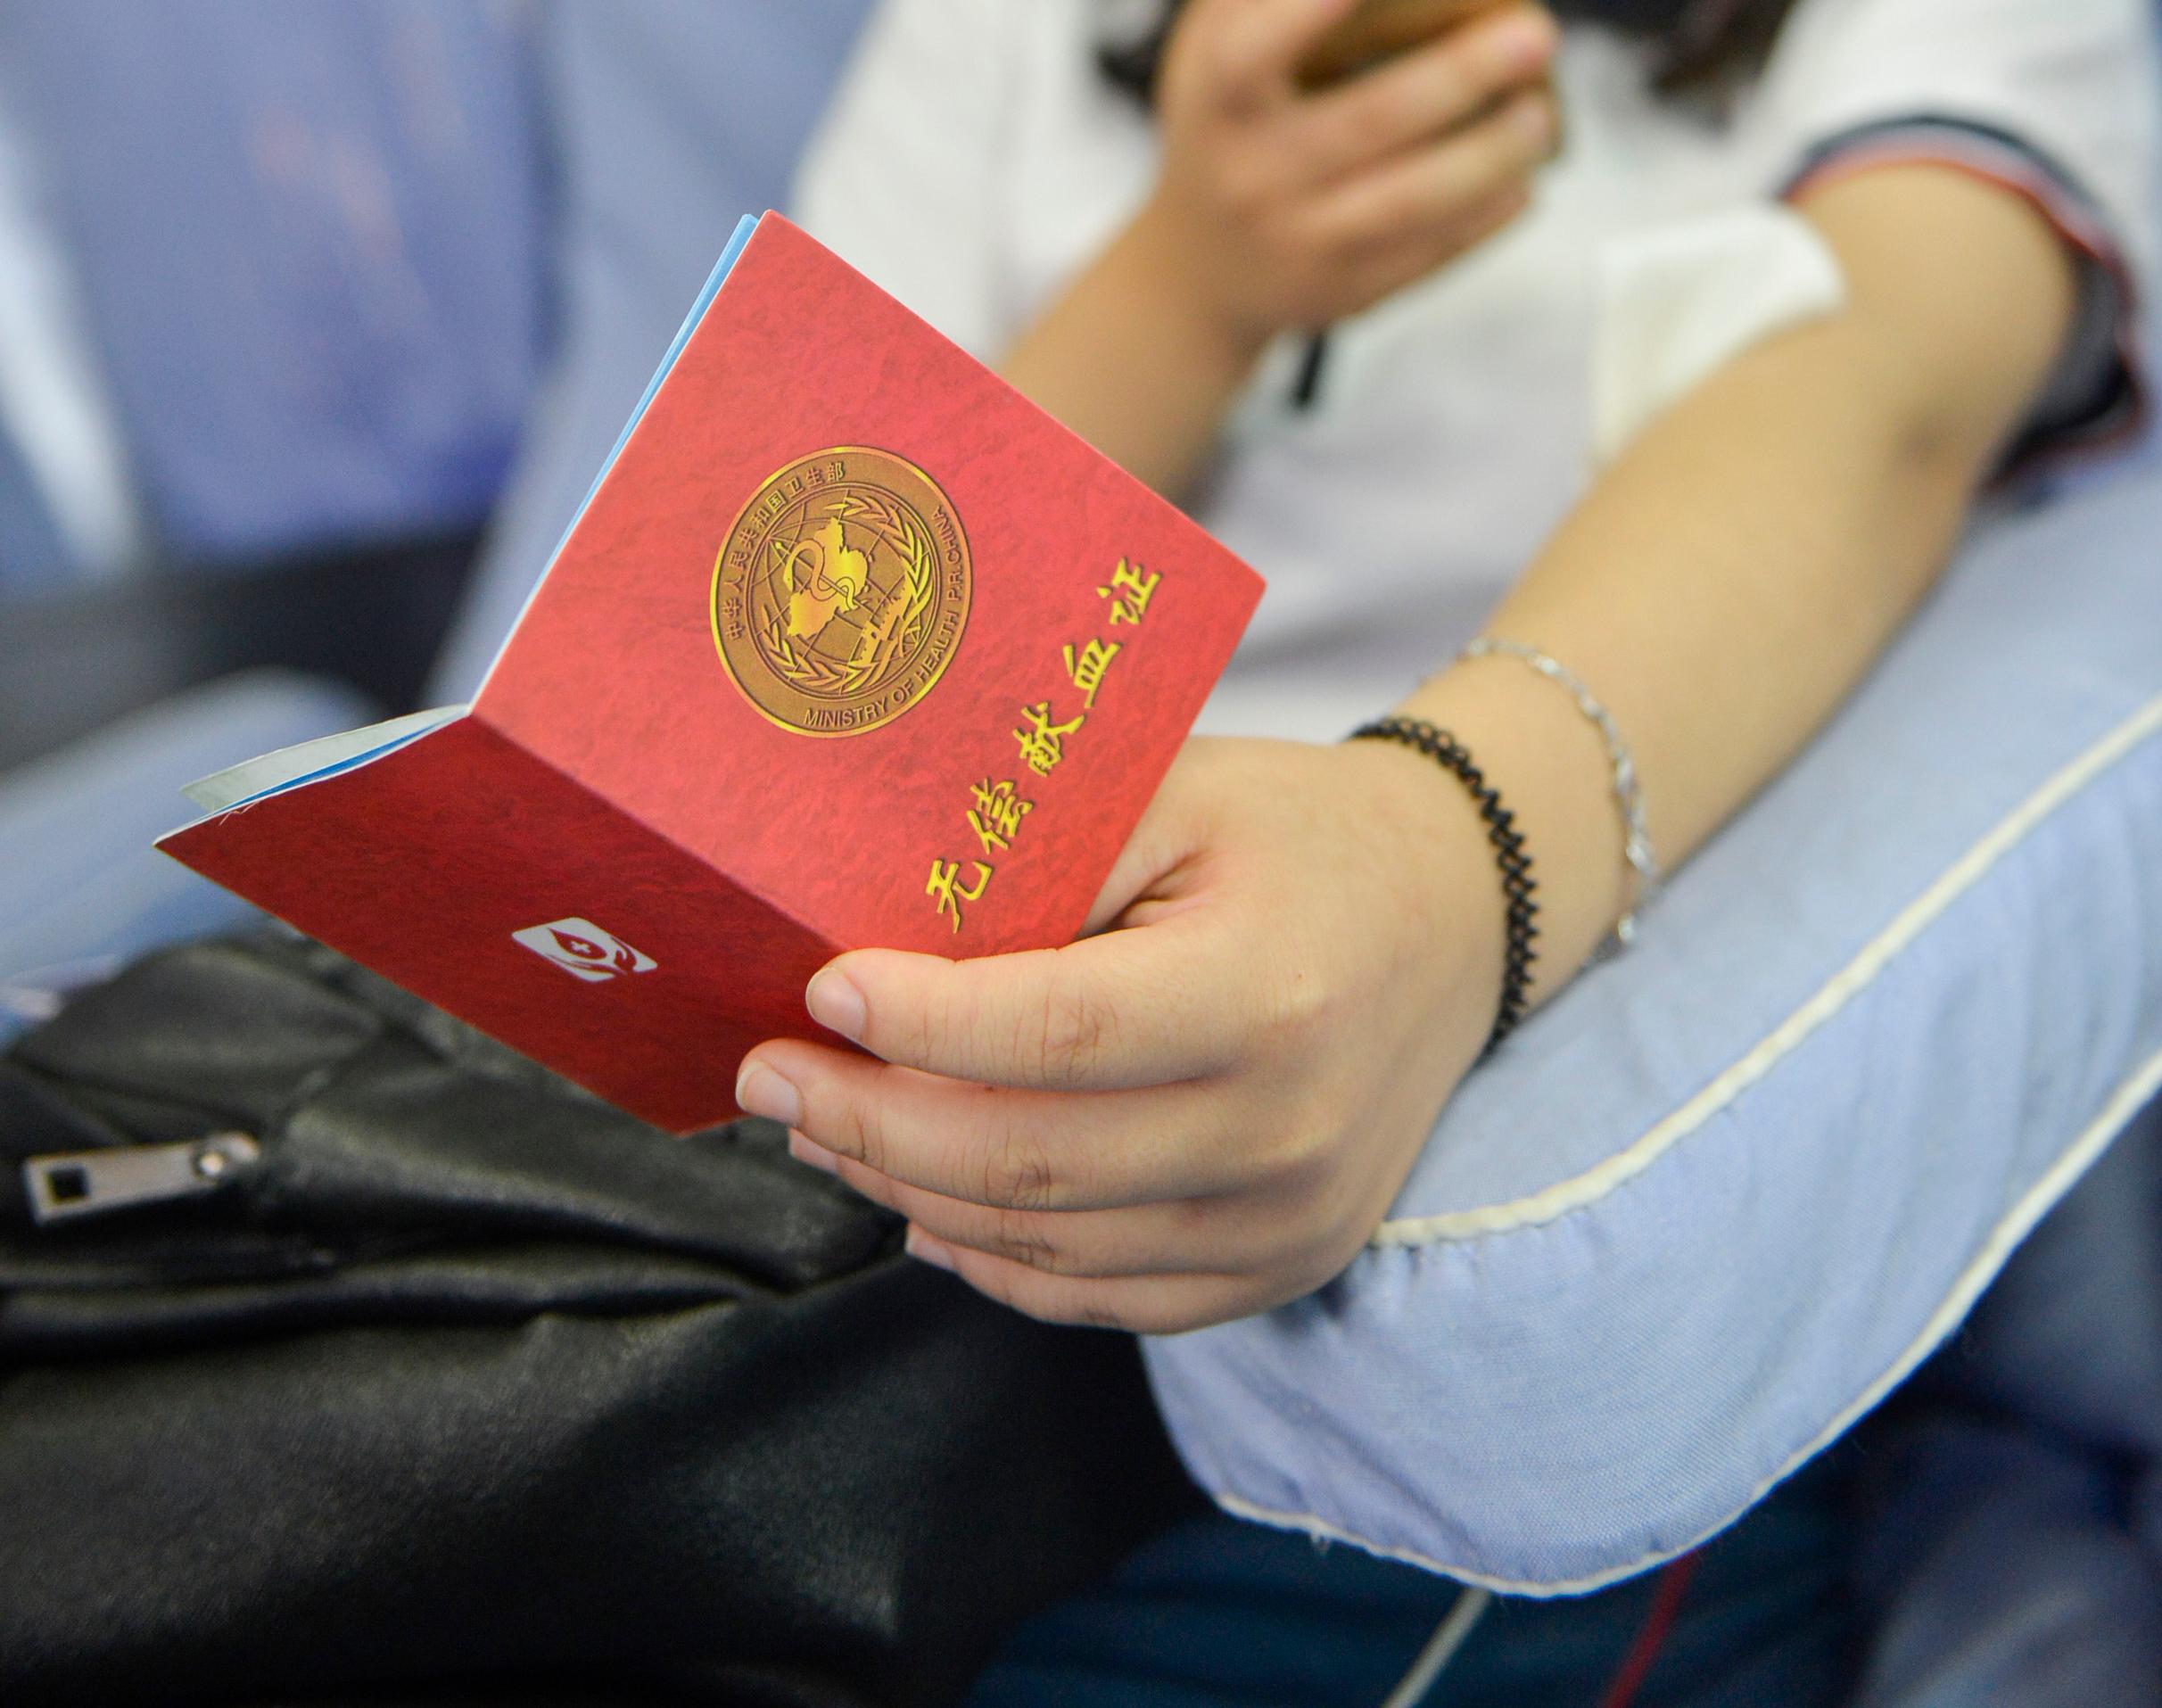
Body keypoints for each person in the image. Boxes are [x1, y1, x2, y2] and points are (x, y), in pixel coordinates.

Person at [739, 0, 2155, 1344]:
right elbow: (779, 654)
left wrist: (1440, 860)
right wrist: (1188, 288)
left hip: (1440, 951)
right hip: (893, 1005)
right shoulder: (1000, 38)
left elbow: (1878, 398)